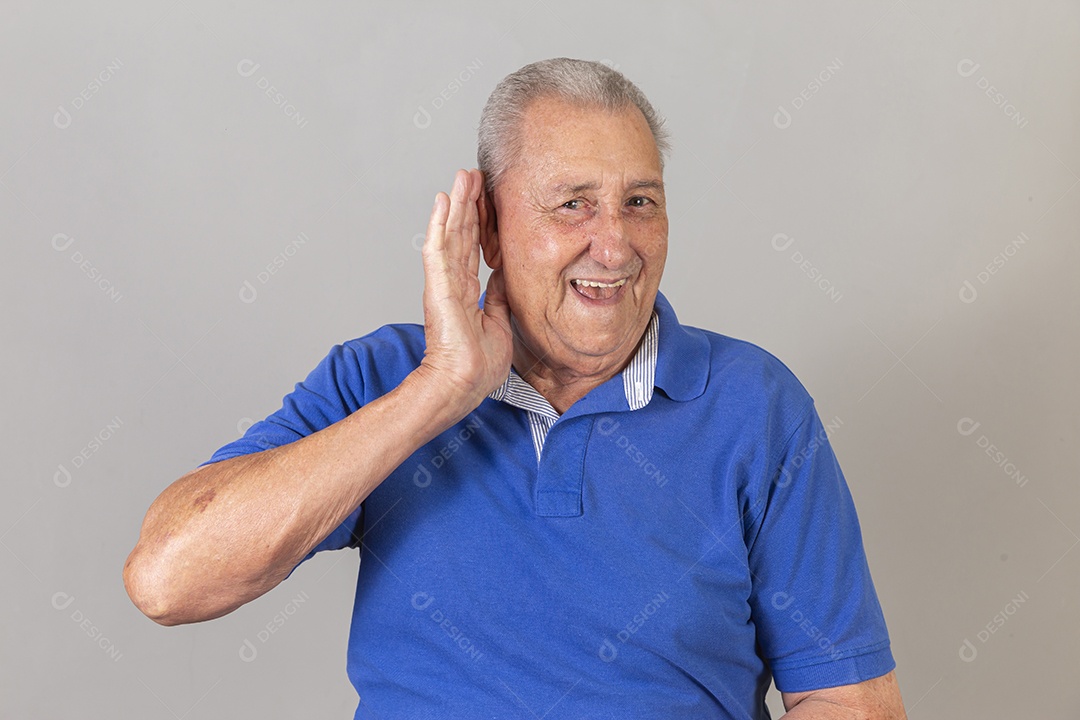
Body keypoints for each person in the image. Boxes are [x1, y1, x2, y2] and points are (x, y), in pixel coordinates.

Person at [124, 57, 906, 718]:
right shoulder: (385, 378)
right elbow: (169, 579)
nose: (616, 244)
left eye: (640, 202)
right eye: (574, 204)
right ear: (489, 230)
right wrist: (441, 388)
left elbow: (847, 698)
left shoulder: (756, 406)